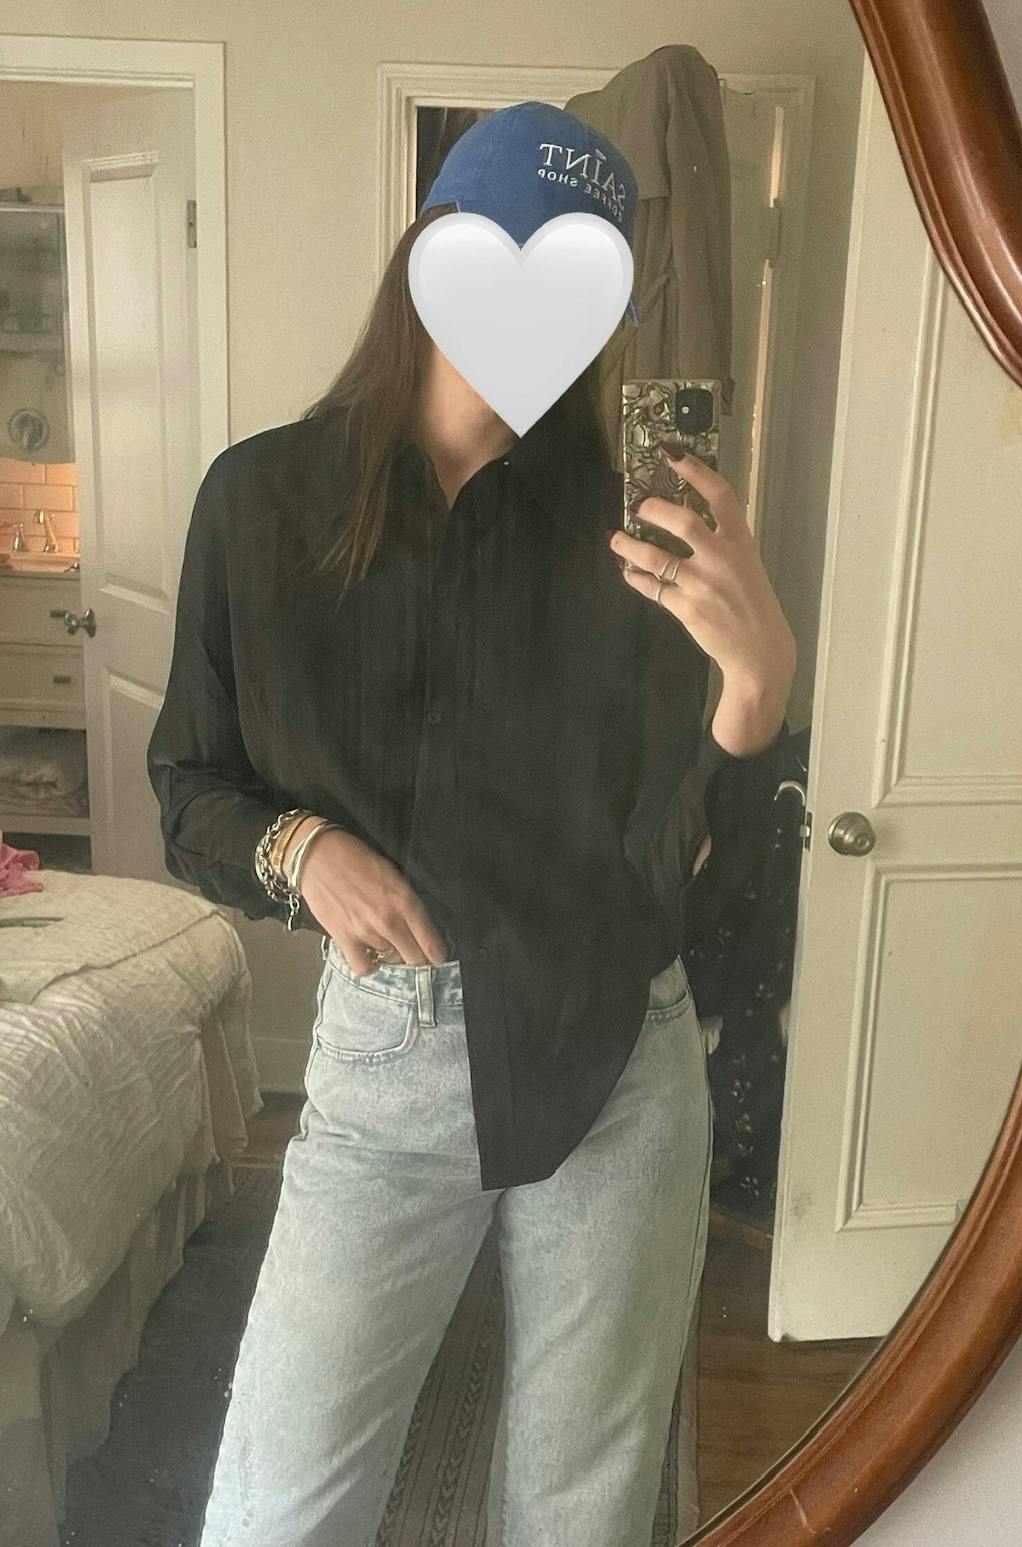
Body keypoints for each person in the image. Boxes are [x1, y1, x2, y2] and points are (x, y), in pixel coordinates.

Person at [147, 101, 795, 1547]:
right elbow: (190, 785)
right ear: (427, 262)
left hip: (623, 1050)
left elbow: (703, 890)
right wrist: (304, 851)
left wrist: (756, 689)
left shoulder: (631, 534)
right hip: (396, 1051)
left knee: (581, 1507)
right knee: (276, 1506)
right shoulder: (260, 501)